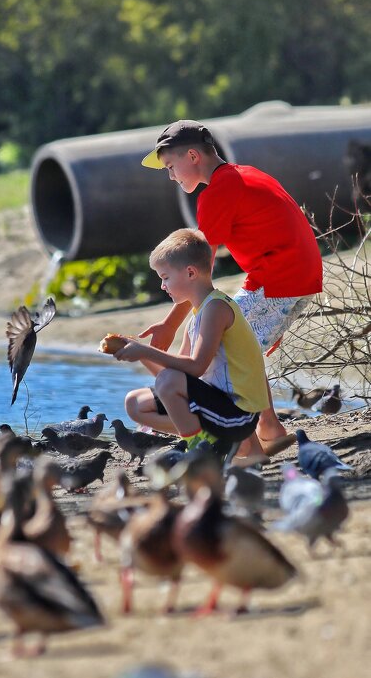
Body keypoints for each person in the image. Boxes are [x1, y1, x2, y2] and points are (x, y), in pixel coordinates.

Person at [138, 119, 323, 457]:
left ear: (193, 156)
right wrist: (178, 325)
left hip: (282, 275)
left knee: (221, 339)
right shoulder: (241, 174)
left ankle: (244, 442)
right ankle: (268, 428)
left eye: (170, 166)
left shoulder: (220, 190)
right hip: (292, 273)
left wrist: (171, 324)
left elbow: (197, 274)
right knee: (237, 343)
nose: (170, 176)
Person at [113, 229, 270, 456]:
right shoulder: (197, 317)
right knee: (134, 403)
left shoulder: (216, 308)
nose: (162, 286)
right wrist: (138, 352)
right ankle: (216, 440)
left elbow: (195, 367)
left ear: (190, 273)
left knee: (167, 381)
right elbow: (177, 378)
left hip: (238, 416)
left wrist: (145, 350)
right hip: (218, 408)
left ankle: (201, 451)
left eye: (165, 277)